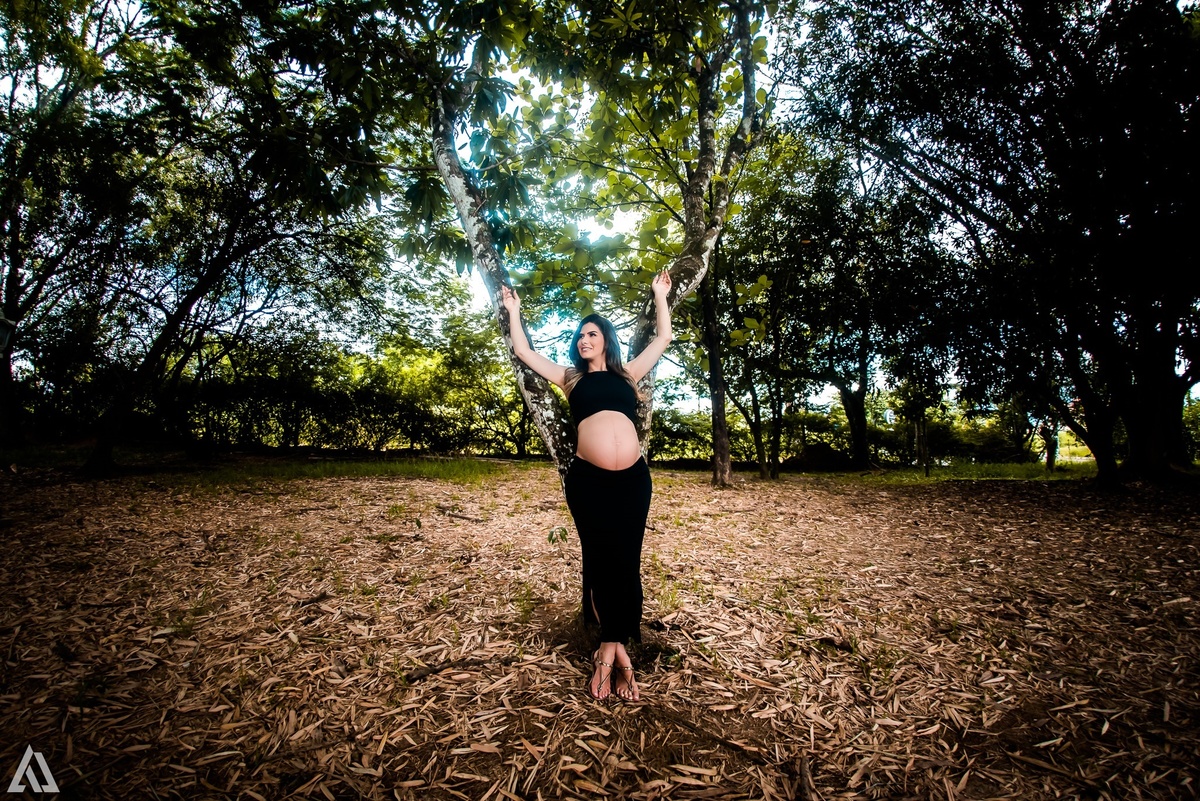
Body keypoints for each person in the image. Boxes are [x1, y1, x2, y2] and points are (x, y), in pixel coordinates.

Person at [500, 271, 673, 701]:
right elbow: (524, 351)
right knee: (599, 561)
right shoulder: (570, 378)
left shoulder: (628, 374)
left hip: (634, 480)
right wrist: (514, 311)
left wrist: (660, 295)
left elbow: (663, 338)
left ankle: (611, 655)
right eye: (580, 335)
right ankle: (615, 659)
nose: (583, 339)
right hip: (589, 481)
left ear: (606, 340)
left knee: (627, 562)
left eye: (591, 333)